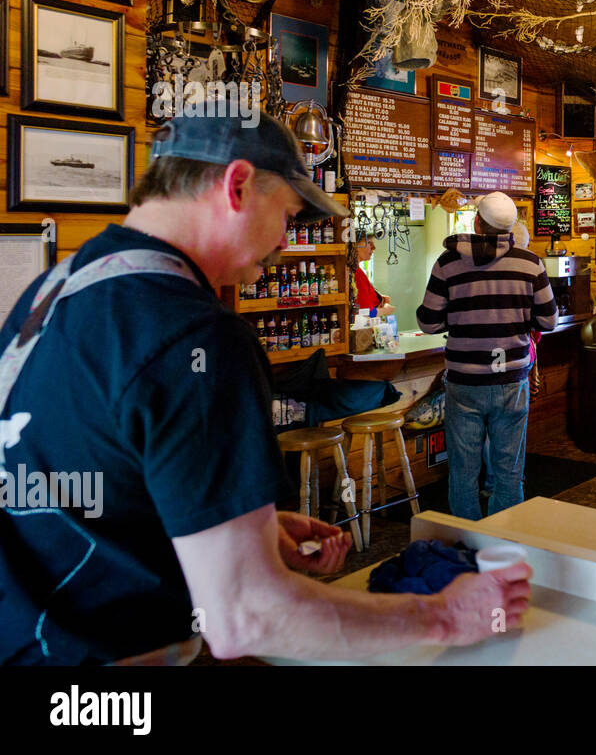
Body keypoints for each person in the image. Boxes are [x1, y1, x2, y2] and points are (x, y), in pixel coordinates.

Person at [0, 114, 530, 665]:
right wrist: (446, 616)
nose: (283, 240)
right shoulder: (196, 334)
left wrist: (235, 528)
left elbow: (75, 492)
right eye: (287, 215)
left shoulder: (54, 290)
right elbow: (248, 619)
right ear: (236, 187)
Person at [416, 192, 556, 520]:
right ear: (510, 228)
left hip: (465, 383)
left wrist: (460, 316)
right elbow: (548, 320)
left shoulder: (447, 263)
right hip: (511, 381)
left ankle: (467, 544)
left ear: (477, 222)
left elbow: (429, 321)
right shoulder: (530, 263)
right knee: (508, 473)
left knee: (463, 474)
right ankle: (504, 545)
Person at [352, 231, 391, 312]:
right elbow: (365, 312)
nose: (374, 247)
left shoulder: (359, 272)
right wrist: (385, 310)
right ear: (355, 245)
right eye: (369, 243)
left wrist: (380, 299)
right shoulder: (356, 274)